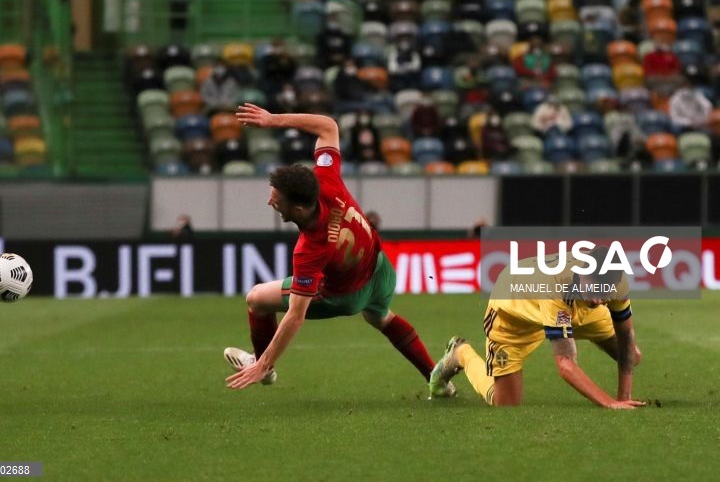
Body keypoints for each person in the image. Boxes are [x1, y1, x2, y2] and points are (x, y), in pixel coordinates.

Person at [224, 104, 449, 393]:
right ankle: (436, 378)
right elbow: (328, 126)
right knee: (381, 317)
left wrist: (265, 362)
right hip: (379, 269)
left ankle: (262, 367)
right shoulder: (326, 179)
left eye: (276, 201)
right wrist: (273, 120)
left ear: (300, 207)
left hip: (346, 296)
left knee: (256, 298)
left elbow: (295, 316)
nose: (270, 203)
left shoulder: (309, 250)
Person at [428, 246, 645, 409]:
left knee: (630, 355)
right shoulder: (554, 284)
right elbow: (566, 364)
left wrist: (624, 397)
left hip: (573, 306)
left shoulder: (615, 280)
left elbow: (625, 335)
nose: (599, 300)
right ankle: (461, 353)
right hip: (515, 314)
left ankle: (571, 322)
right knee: (505, 404)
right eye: (595, 289)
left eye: (605, 292)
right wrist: (609, 403)